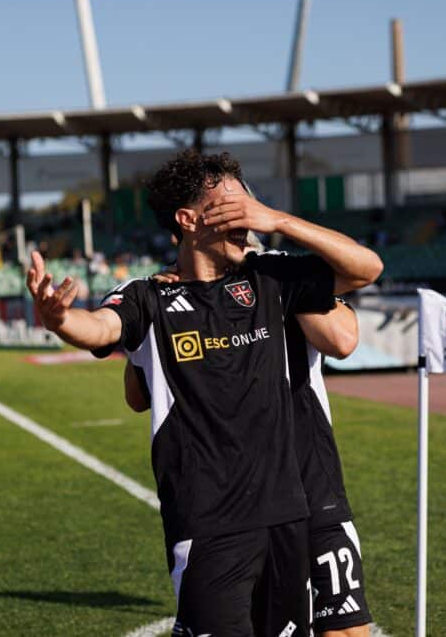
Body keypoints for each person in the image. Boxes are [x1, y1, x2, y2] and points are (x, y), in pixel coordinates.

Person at [27, 150, 382, 636]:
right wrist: (60, 318)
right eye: (232, 206)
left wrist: (276, 219)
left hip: (292, 507)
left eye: (248, 204)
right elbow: (102, 330)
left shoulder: (270, 276)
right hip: (210, 521)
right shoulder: (148, 294)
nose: (247, 214)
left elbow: (364, 274)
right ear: (188, 219)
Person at [126, 238, 374, 636]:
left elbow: (343, 341)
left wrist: (277, 280)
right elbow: (137, 395)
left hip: (312, 480)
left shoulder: (279, 279)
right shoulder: (180, 300)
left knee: (346, 627)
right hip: (240, 495)